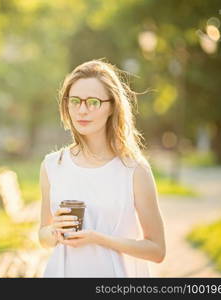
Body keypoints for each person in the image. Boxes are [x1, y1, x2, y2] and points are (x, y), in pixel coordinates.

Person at [38, 59, 166, 277]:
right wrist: (54, 231)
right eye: (75, 101)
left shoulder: (134, 169)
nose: (82, 110)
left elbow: (157, 250)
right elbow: (43, 237)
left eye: (93, 102)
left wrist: (98, 239)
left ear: (112, 107)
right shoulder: (52, 165)